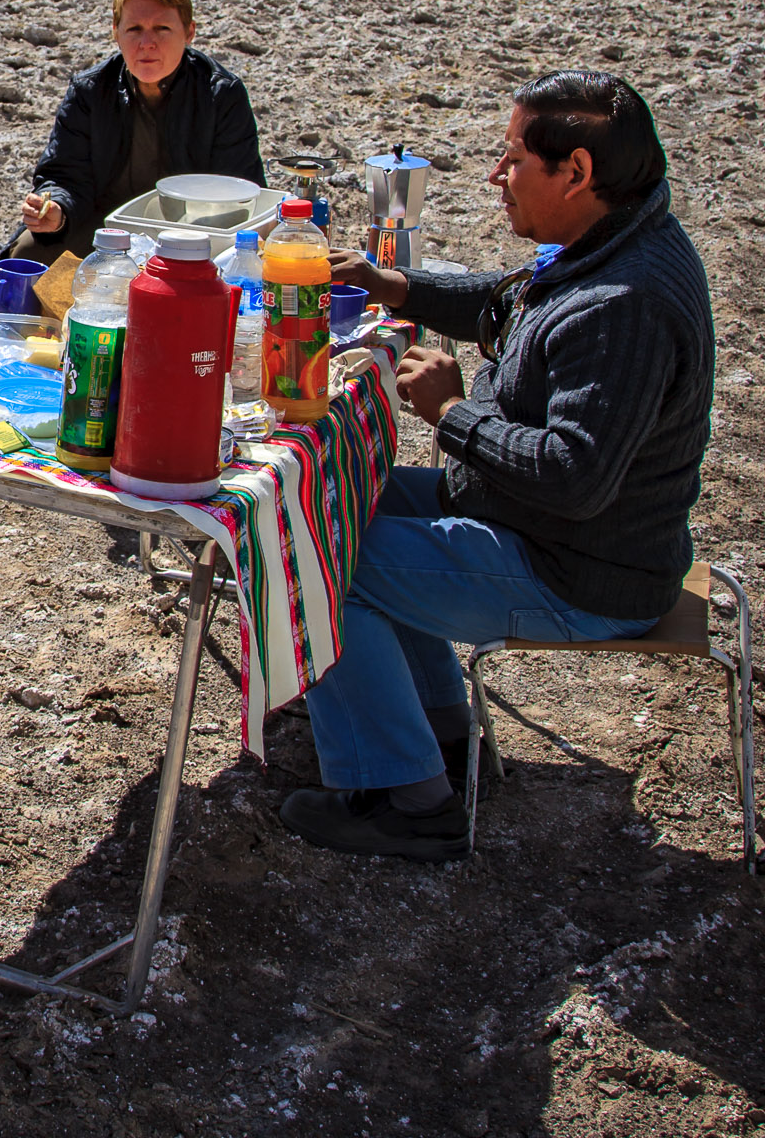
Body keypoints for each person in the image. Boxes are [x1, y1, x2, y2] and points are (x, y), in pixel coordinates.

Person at [279, 70, 713, 862]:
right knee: (330, 503)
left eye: (512, 158)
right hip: (541, 525)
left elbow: (574, 479)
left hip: (583, 573)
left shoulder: (627, 302)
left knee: (309, 557)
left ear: (576, 172)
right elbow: (509, 302)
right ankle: (444, 734)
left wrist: (453, 415)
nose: (495, 175)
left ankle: (408, 800)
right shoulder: (614, 239)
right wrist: (396, 286)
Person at [10, 0, 266, 262]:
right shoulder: (90, 91)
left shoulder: (221, 94)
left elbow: (241, 191)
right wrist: (57, 212)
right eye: (134, 29)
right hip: (106, 228)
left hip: (194, 235)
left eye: (162, 29)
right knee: (27, 253)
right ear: (116, 33)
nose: (147, 44)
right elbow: (64, 175)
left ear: (189, 32)